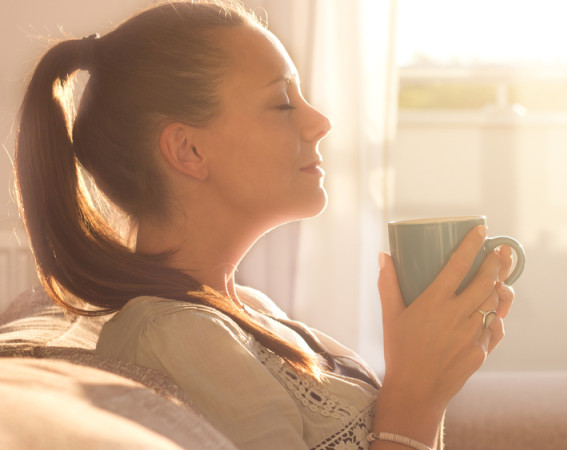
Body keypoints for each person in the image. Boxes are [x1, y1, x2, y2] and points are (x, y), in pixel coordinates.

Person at [14, 1, 515, 448]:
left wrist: (432, 371)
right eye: (282, 103)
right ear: (189, 150)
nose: (320, 122)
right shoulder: (178, 337)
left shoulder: (245, 309)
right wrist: (417, 395)